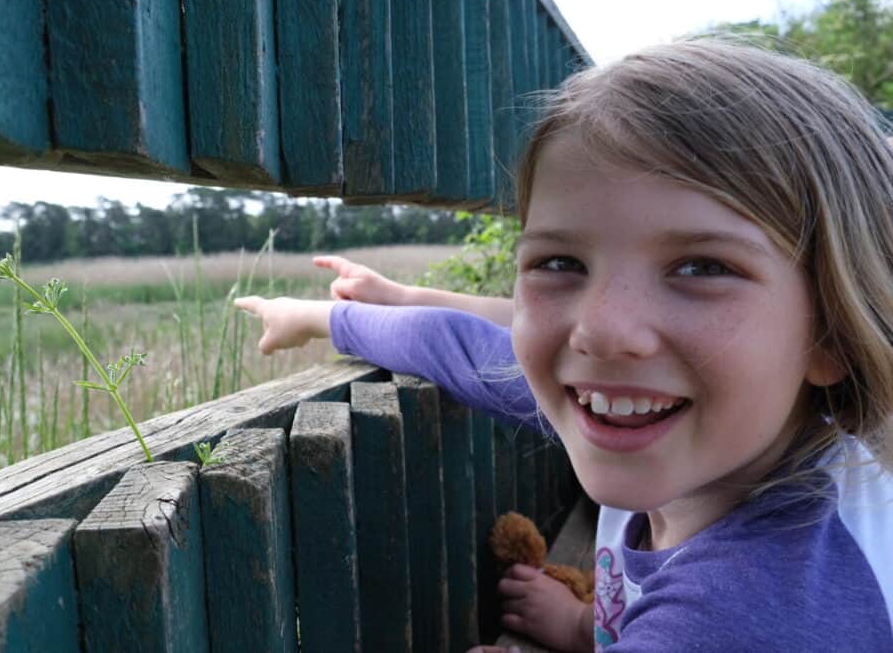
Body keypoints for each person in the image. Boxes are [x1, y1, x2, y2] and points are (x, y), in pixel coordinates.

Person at [235, 38, 893, 651]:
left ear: (832, 332)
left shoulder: (747, 616)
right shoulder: (670, 414)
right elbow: (459, 348)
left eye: (701, 268)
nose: (601, 329)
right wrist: (316, 315)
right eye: (560, 263)